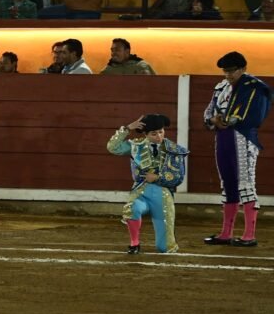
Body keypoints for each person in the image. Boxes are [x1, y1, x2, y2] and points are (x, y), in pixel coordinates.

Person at [203, 51, 271, 247]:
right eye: (226, 71)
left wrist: (226, 120)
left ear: (243, 69)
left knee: (246, 183)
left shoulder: (254, 87)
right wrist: (212, 120)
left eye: (232, 71)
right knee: (228, 183)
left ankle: (249, 235)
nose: (228, 75)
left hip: (243, 138)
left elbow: (255, 115)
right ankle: (226, 233)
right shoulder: (221, 87)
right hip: (223, 138)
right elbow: (208, 112)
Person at [107, 114, 186, 254]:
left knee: (165, 248)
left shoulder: (174, 149)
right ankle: (134, 244)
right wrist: (127, 128)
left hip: (163, 195)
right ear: (145, 134)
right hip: (141, 192)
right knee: (131, 209)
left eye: (161, 132)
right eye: (154, 134)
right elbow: (113, 147)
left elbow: (178, 177)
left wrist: (157, 178)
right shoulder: (135, 146)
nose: (159, 137)